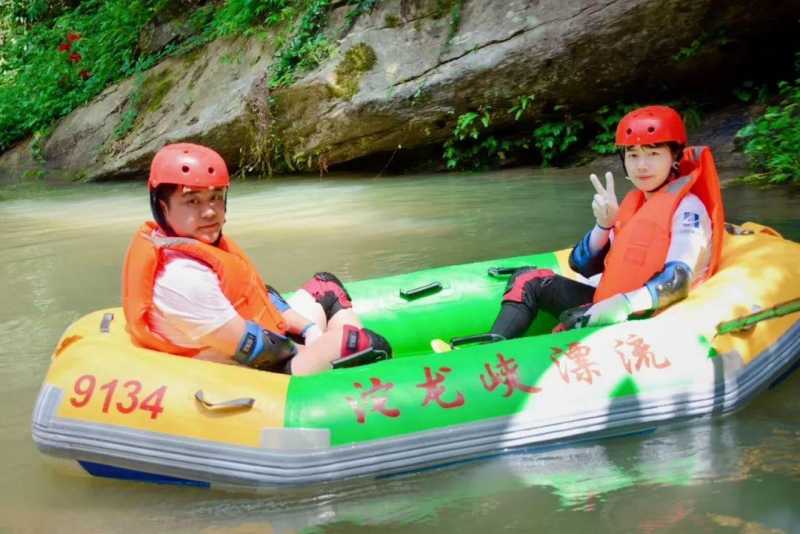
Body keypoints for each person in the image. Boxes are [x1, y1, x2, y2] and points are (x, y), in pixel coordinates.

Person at [122, 142, 392, 375]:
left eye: (215, 198)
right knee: (367, 345)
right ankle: (354, 382)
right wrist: (321, 345)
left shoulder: (193, 243)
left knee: (327, 288)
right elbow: (261, 352)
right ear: (162, 206)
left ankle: (345, 367)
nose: (209, 212)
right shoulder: (182, 278)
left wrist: (311, 330)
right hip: (255, 369)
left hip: (263, 340)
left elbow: (262, 295)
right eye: (192, 201)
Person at [489, 105, 725, 337]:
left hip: (650, 315)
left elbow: (678, 280)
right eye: (633, 155)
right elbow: (581, 263)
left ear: (674, 157)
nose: (641, 165)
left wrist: (622, 305)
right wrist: (604, 225)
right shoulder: (635, 204)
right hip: (612, 303)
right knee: (528, 278)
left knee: (575, 322)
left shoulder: (688, 209)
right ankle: (492, 349)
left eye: (653, 153)